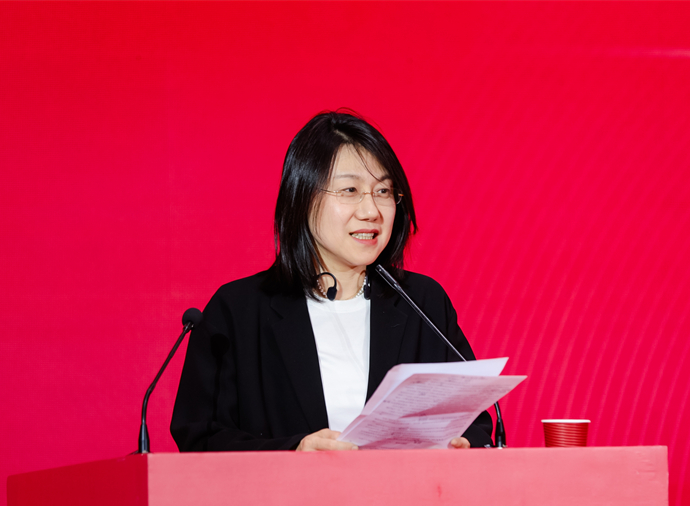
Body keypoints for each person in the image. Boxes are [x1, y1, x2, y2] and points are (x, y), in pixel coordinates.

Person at [171, 110, 493, 452]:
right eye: (350, 190)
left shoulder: (423, 303)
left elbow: (474, 422)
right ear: (303, 197)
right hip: (284, 489)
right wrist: (293, 451)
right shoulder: (238, 311)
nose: (371, 211)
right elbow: (200, 438)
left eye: (383, 191)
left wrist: (462, 444)